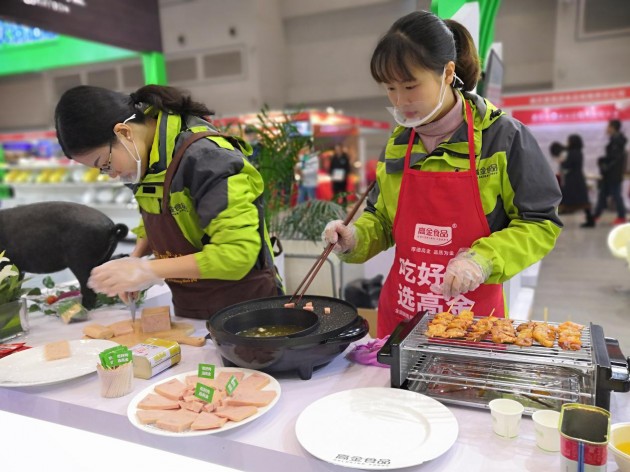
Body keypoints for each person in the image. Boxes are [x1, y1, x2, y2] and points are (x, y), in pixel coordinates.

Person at [322, 11, 563, 337]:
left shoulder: (501, 137)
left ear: (448, 73)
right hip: (405, 315)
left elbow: (540, 222)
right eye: (390, 88)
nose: (400, 101)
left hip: (472, 322)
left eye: (410, 85)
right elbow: (382, 220)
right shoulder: (399, 143)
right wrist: (356, 238)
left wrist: (482, 261)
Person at [54, 85, 282, 319]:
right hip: (191, 309)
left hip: (248, 313)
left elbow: (237, 254)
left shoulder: (208, 158)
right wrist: (135, 259)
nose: (110, 174)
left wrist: (147, 270)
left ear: (124, 132)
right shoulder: (144, 160)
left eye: (105, 163)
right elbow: (159, 218)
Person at [549, 135, 595, 227]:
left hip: (572, 181)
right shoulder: (578, 152)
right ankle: (590, 220)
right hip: (578, 179)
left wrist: (561, 162)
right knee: (583, 201)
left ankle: (553, 221)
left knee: (565, 200)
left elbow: (566, 165)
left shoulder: (571, 153)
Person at [592, 119, 628, 225]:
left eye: (608, 126)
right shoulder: (615, 140)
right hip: (609, 174)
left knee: (616, 195)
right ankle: (596, 215)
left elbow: (615, 159)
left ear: (612, 127)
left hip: (613, 174)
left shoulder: (617, 141)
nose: (606, 129)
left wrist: (605, 166)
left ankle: (621, 216)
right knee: (602, 194)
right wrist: (603, 161)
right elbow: (612, 157)